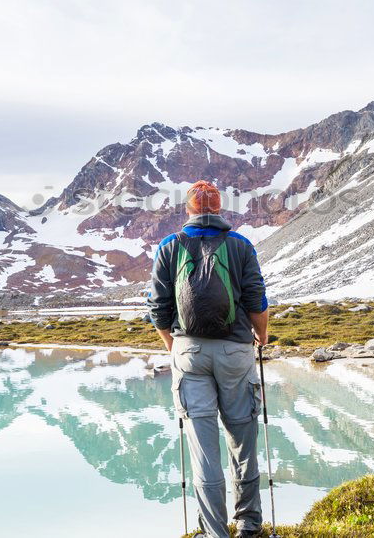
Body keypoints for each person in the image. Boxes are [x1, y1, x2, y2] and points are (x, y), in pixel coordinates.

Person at [148, 180, 270, 538]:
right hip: (235, 351)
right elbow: (256, 298)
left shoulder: (170, 246)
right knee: (242, 439)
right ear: (219, 209)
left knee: (204, 449)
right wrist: (261, 335)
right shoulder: (240, 245)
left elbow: (158, 307)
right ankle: (248, 525)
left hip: (188, 353)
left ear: (187, 211)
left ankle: (215, 532)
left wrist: (174, 345)